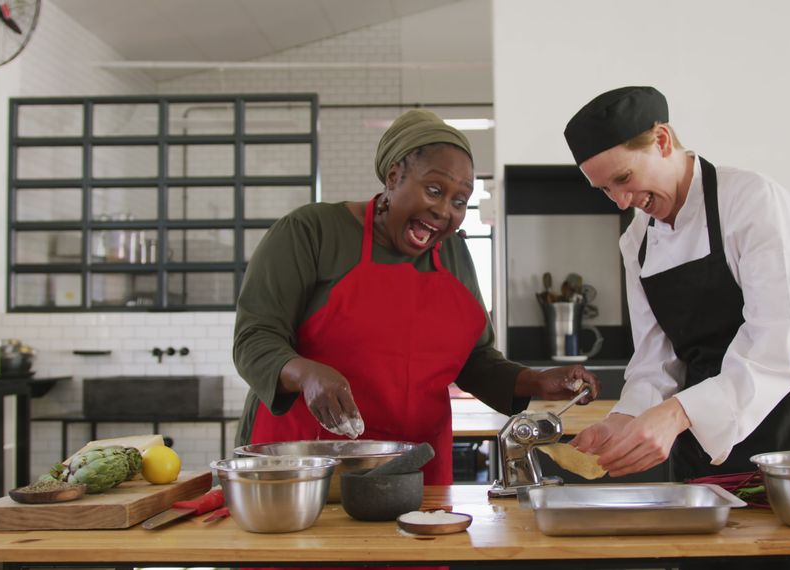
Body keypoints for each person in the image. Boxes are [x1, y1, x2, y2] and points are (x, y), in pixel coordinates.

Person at [233, 109, 599, 486]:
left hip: (414, 472)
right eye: (434, 190)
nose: (443, 211)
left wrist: (535, 382)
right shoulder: (311, 232)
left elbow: (474, 360)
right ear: (393, 178)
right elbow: (253, 339)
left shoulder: (455, 254)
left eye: (460, 201)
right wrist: (307, 375)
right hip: (308, 468)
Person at [564, 86, 790, 482]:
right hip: (702, 438)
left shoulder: (752, 201)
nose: (620, 201)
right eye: (605, 189)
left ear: (663, 140)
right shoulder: (636, 243)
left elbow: (772, 347)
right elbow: (656, 358)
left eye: (624, 178)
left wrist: (677, 413)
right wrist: (625, 417)